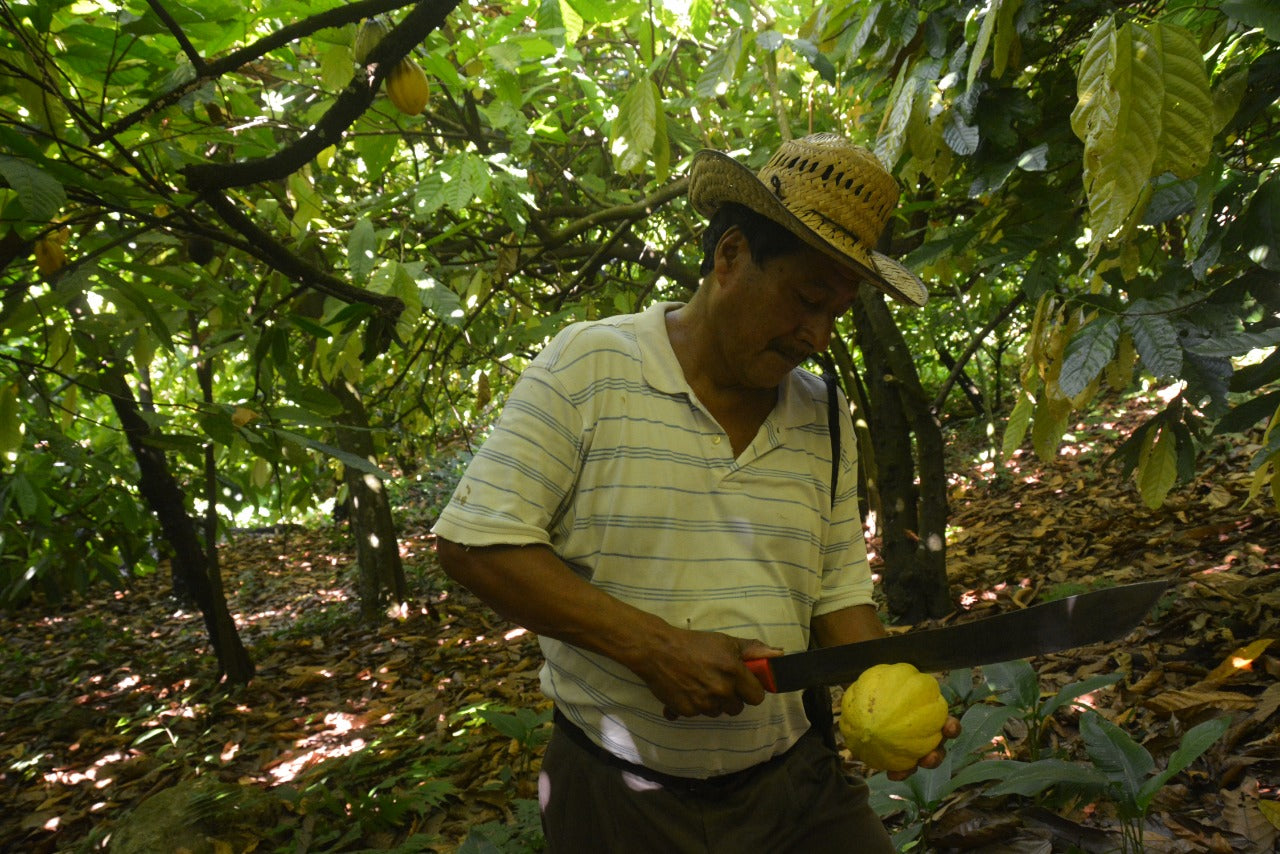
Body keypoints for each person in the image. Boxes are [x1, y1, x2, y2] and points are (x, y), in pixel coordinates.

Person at [432, 132, 959, 852]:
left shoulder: (823, 411)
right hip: (620, 796)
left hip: (797, 789)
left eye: (834, 313)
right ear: (730, 256)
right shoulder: (589, 365)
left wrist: (891, 695)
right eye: (806, 300)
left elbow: (835, 589)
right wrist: (653, 649)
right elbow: (475, 544)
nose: (816, 335)